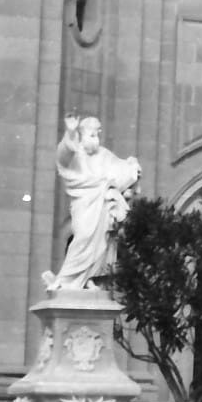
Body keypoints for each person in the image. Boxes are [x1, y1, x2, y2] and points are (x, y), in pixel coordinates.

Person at [41, 116, 141, 295]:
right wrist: (70, 132)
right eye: (91, 134)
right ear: (82, 135)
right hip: (84, 204)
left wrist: (132, 167)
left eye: (97, 134)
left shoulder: (104, 154)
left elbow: (120, 169)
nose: (95, 138)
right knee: (83, 237)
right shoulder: (75, 154)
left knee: (101, 244)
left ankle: (87, 279)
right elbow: (63, 156)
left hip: (101, 206)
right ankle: (65, 279)